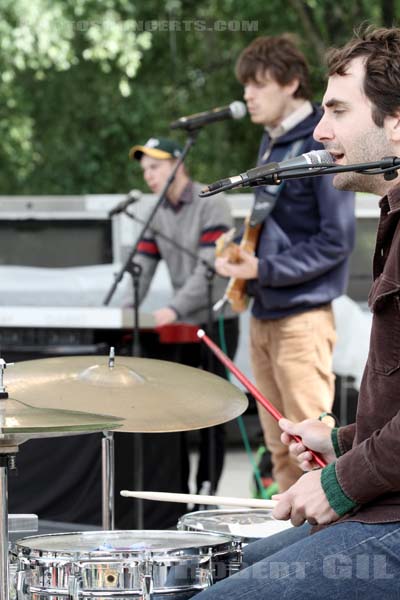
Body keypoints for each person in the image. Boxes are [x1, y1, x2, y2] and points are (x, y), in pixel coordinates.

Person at [193, 26, 400, 598]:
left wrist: (341, 482)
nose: (320, 129)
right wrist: (344, 442)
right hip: (382, 500)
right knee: (215, 572)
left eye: (336, 110)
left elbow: (327, 248)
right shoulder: (391, 212)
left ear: (397, 122)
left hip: (390, 517)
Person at [215, 35, 355, 492]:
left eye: (258, 84)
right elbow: (279, 226)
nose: (247, 95)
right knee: (280, 450)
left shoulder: (323, 140)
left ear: (293, 82)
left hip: (302, 320)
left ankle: (323, 551)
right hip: (264, 312)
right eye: (245, 86)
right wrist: (242, 252)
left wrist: (264, 269)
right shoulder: (271, 142)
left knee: (314, 451)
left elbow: (336, 241)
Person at [129, 136, 239, 494]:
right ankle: (177, 493)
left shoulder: (211, 202)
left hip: (216, 319)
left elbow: (211, 267)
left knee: (213, 409)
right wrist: (122, 312)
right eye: (144, 169)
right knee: (176, 411)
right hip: (179, 325)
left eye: (155, 167)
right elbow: (140, 268)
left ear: (179, 164)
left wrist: (172, 308)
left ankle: (206, 491)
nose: (148, 176)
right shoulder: (153, 210)